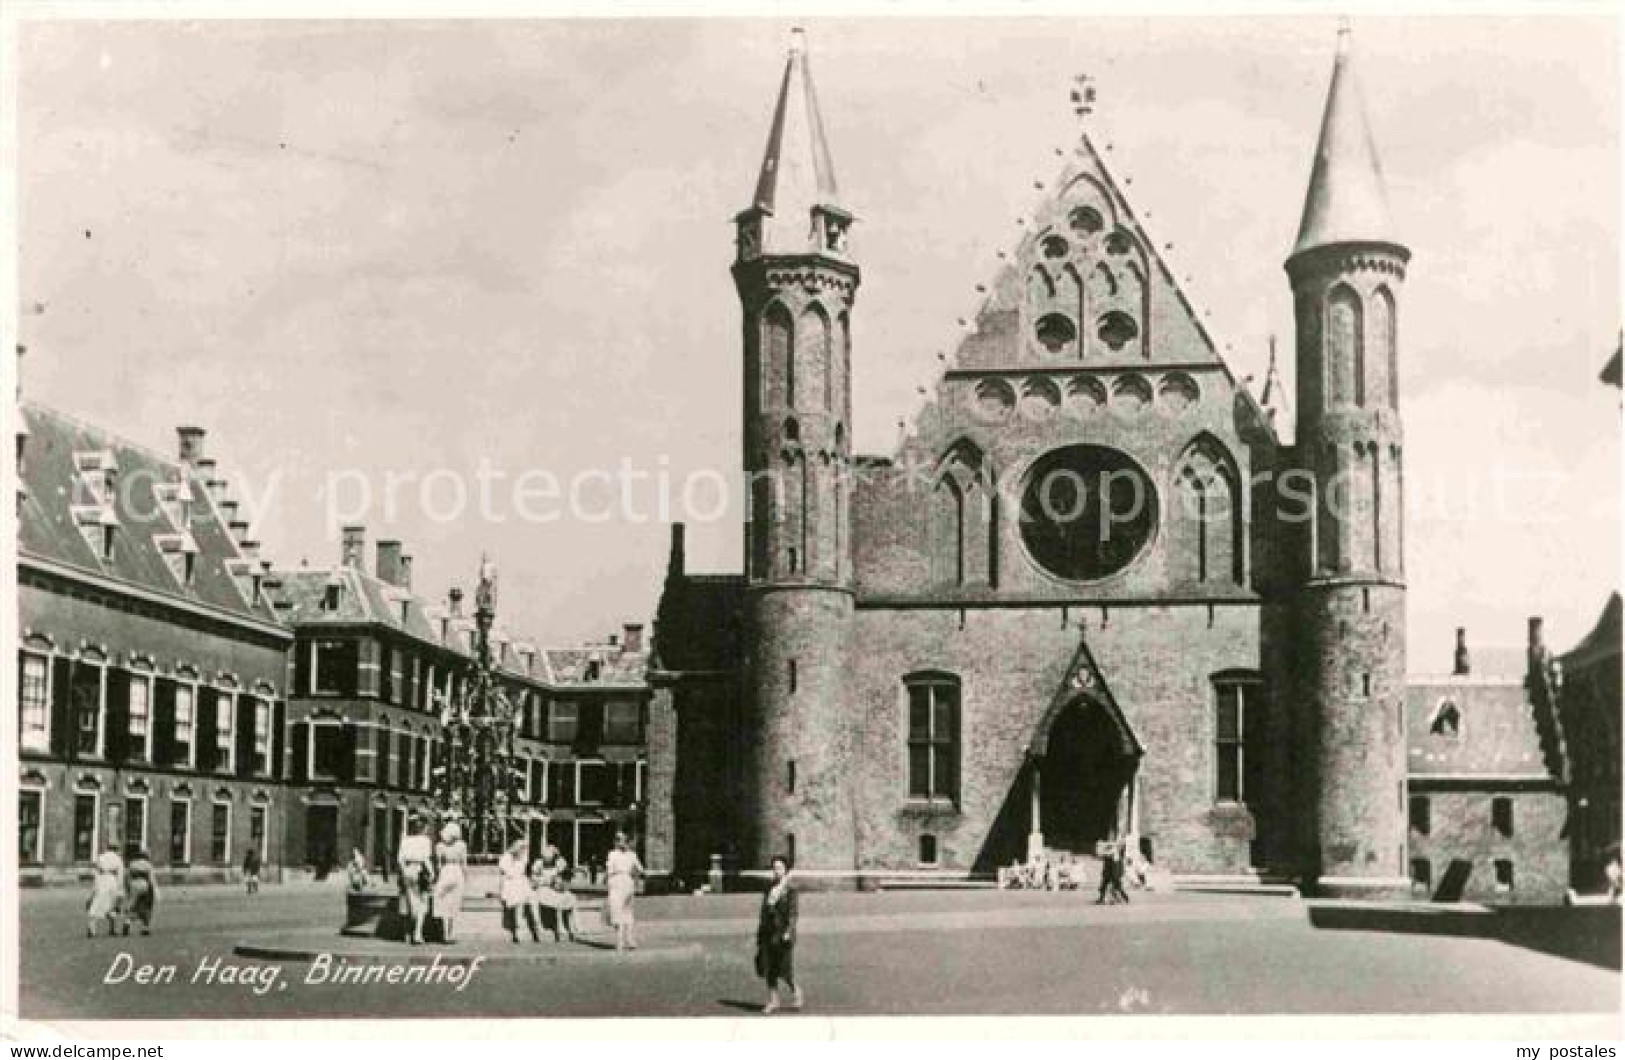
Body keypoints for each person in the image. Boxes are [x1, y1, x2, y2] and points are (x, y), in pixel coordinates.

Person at [755, 854, 803, 1014]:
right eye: (774, 868)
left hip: (783, 933)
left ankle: (796, 991)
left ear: (786, 870)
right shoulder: (769, 888)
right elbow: (764, 911)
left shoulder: (791, 889)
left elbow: (793, 913)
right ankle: (773, 1001)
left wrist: (789, 931)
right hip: (768, 932)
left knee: (785, 969)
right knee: (769, 968)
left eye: (779, 868)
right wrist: (760, 933)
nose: (776, 871)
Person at [604, 831, 644, 953]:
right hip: (622, 881)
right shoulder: (623, 854)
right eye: (619, 840)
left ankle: (623, 941)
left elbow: (640, 869)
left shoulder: (615, 854)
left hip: (620, 881)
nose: (621, 843)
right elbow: (640, 870)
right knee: (622, 911)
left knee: (621, 911)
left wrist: (634, 876)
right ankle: (626, 940)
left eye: (623, 840)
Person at [397, 819, 434, 946]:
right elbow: (426, 859)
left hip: (407, 870)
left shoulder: (405, 840)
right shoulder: (425, 840)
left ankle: (406, 934)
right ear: (422, 828)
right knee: (422, 901)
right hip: (419, 870)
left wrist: (403, 873)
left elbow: (400, 860)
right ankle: (417, 934)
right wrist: (432, 873)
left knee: (407, 901)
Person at [498, 839, 540, 944]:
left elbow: (524, 872)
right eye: (522, 848)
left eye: (525, 849)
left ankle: (533, 931)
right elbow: (503, 874)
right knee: (515, 909)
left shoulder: (523, 858)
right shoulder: (505, 858)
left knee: (526, 908)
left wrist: (531, 882)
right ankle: (515, 933)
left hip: (522, 884)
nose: (524, 851)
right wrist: (502, 890)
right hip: (510, 884)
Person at [434, 823, 468, 944]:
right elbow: (464, 863)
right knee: (454, 903)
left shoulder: (439, 846)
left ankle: (444, 934)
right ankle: (451, 933)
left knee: (444, 903)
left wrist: (436, 878)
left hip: (445, 871)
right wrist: (466, 877)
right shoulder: (462, 845)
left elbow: (438, 865)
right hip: (457, 871)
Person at [86, 841, 125, 938]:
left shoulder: (101, 857)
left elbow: (96, 871)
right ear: (116, 849)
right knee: (111, 905)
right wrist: (120, 888)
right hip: (112, 881)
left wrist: (95, 886)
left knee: (97, 903)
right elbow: (120, 874)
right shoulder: (118, 859)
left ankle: (92, 928)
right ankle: (113, 929)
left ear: (107, 848)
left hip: (102, 880)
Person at [124, 849, 157, 935]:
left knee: (132, 905)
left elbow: (127, 877)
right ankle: (145, 927)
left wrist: (127, 888)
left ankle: (127, 922)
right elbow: (152, 878)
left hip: (133, 884)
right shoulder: (148, 865)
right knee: (146, 906)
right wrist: (154, 889)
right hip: (144, 884)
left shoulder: (132, 864)